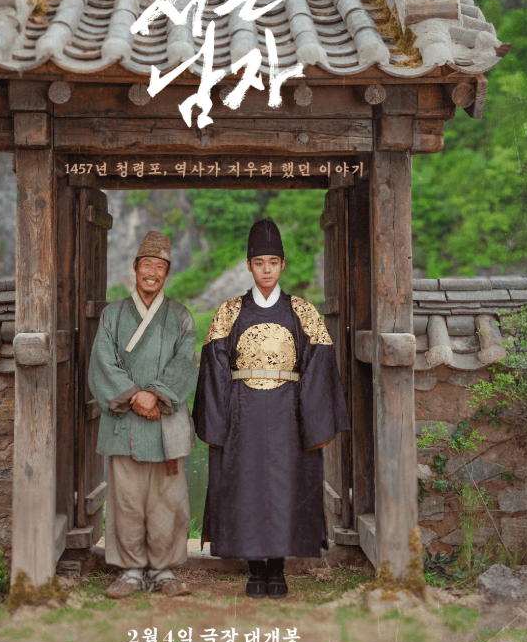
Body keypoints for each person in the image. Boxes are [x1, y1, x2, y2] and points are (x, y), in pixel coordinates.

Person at [192, 217, 350, 599]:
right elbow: (215, 367)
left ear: (282, 266)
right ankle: (254, 568)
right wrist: (221, 419)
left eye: (272, 262)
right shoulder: (229, 311)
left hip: (288, 413)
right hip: (242, 412)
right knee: (246, 487)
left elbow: (319, 365)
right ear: (249, 266)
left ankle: (278, 568)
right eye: (258, 262)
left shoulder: (303, 312)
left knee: (285, 486)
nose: (265, 269)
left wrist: (309, 416)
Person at [88, 231, 198, 599]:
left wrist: (157, 395)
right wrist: (136, 397)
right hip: (126, 424)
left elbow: (185, 363)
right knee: (127, 501)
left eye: (160, 266)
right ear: (135, 269)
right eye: (146, 265)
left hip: (166, 423)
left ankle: (164, 571)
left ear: (167, 274)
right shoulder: (113, 315)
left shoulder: (181, 316)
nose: (152, 272)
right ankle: (131, 571)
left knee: (169, 501)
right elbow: (102, 362)